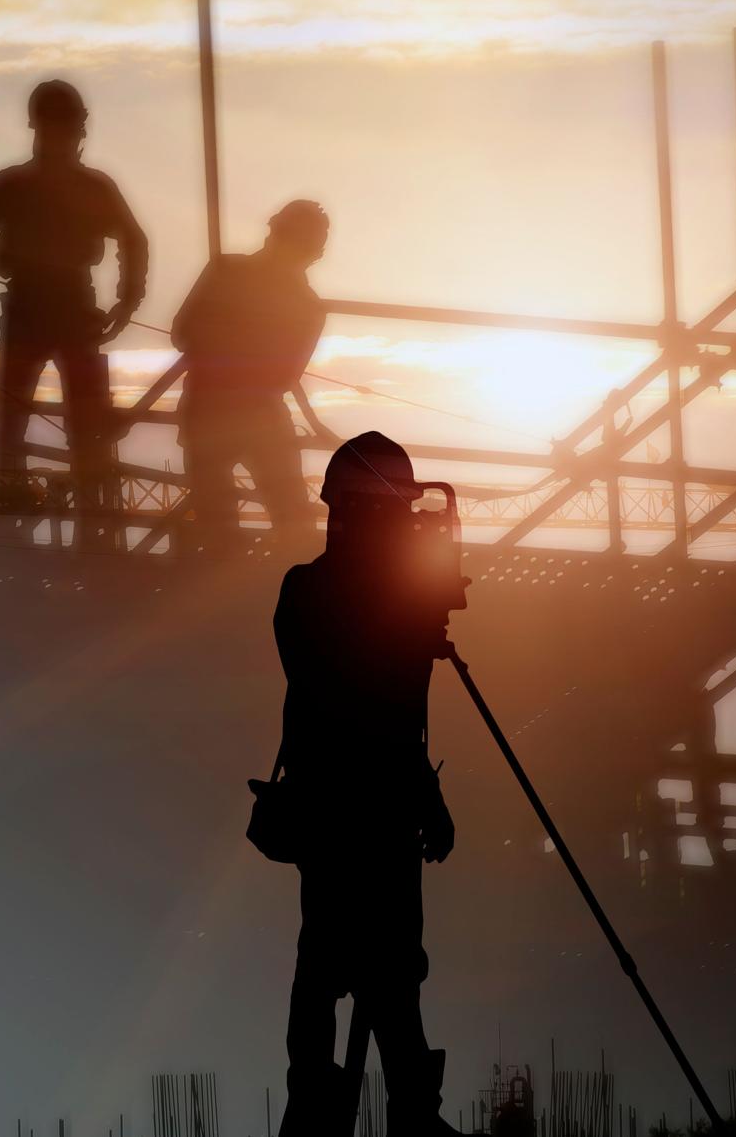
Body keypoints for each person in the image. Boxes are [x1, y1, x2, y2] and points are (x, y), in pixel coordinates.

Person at [273, 432, 459, 1137]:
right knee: (337, 967)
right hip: (348, 813)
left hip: (368, 811)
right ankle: (325, 1114)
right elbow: (365, 707)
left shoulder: (351, 597)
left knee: (386, 972)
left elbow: (403, 715)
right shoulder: (314, 594)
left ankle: (401, 1112)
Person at [0, 78, 148, 538]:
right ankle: (41, 507)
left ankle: (82, 513)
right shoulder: (32, 184)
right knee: (24, 415)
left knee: (57, 417)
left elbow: (134, 239)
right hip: (45, 307)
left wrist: (129, 298)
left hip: (56, 307)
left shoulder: (52, 185)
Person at [171, 200, 328, 549]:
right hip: (258, 415)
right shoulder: (308, 306)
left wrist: (223, 342)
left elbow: (183, 333)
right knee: (292, 520)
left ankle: (226, 583)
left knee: (218, 522)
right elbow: (283, 376)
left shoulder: (226, 271)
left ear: (274, 234)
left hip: (209, 409)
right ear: (312, 252)